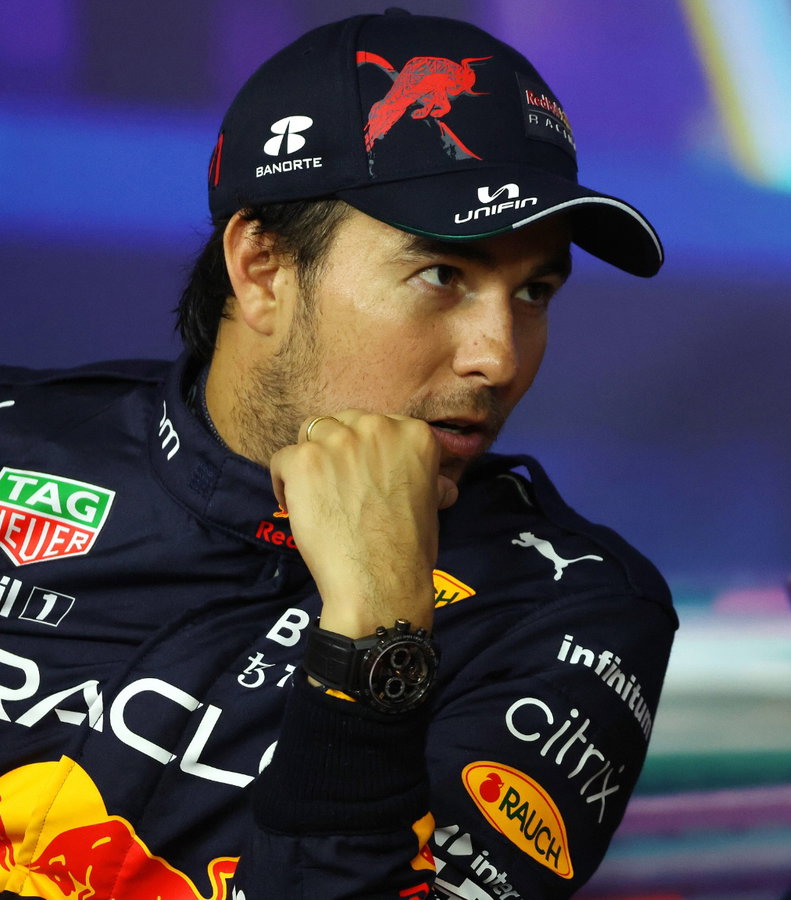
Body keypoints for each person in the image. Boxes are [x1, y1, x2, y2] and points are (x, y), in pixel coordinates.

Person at [0, 10, 674, 899]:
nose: (499, 357)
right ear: (264, 269)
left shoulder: (569, 611)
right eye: (443, 275)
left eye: (535, 290)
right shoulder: (20, 436)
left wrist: (379, 631)